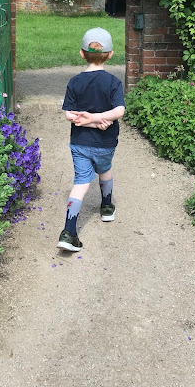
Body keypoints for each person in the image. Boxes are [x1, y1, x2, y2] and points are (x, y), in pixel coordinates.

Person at [58, 27, 125, 252]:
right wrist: (99, 120)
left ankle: (68, 231)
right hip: (105, 142)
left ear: (81, 54)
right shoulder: (113, 82)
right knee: (105, 170)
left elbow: (69, 115)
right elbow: (119, 111)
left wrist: (88, 120)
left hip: (79, 143)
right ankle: (106, 207)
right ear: (110, 54)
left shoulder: (74, 82)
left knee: (80, 183)